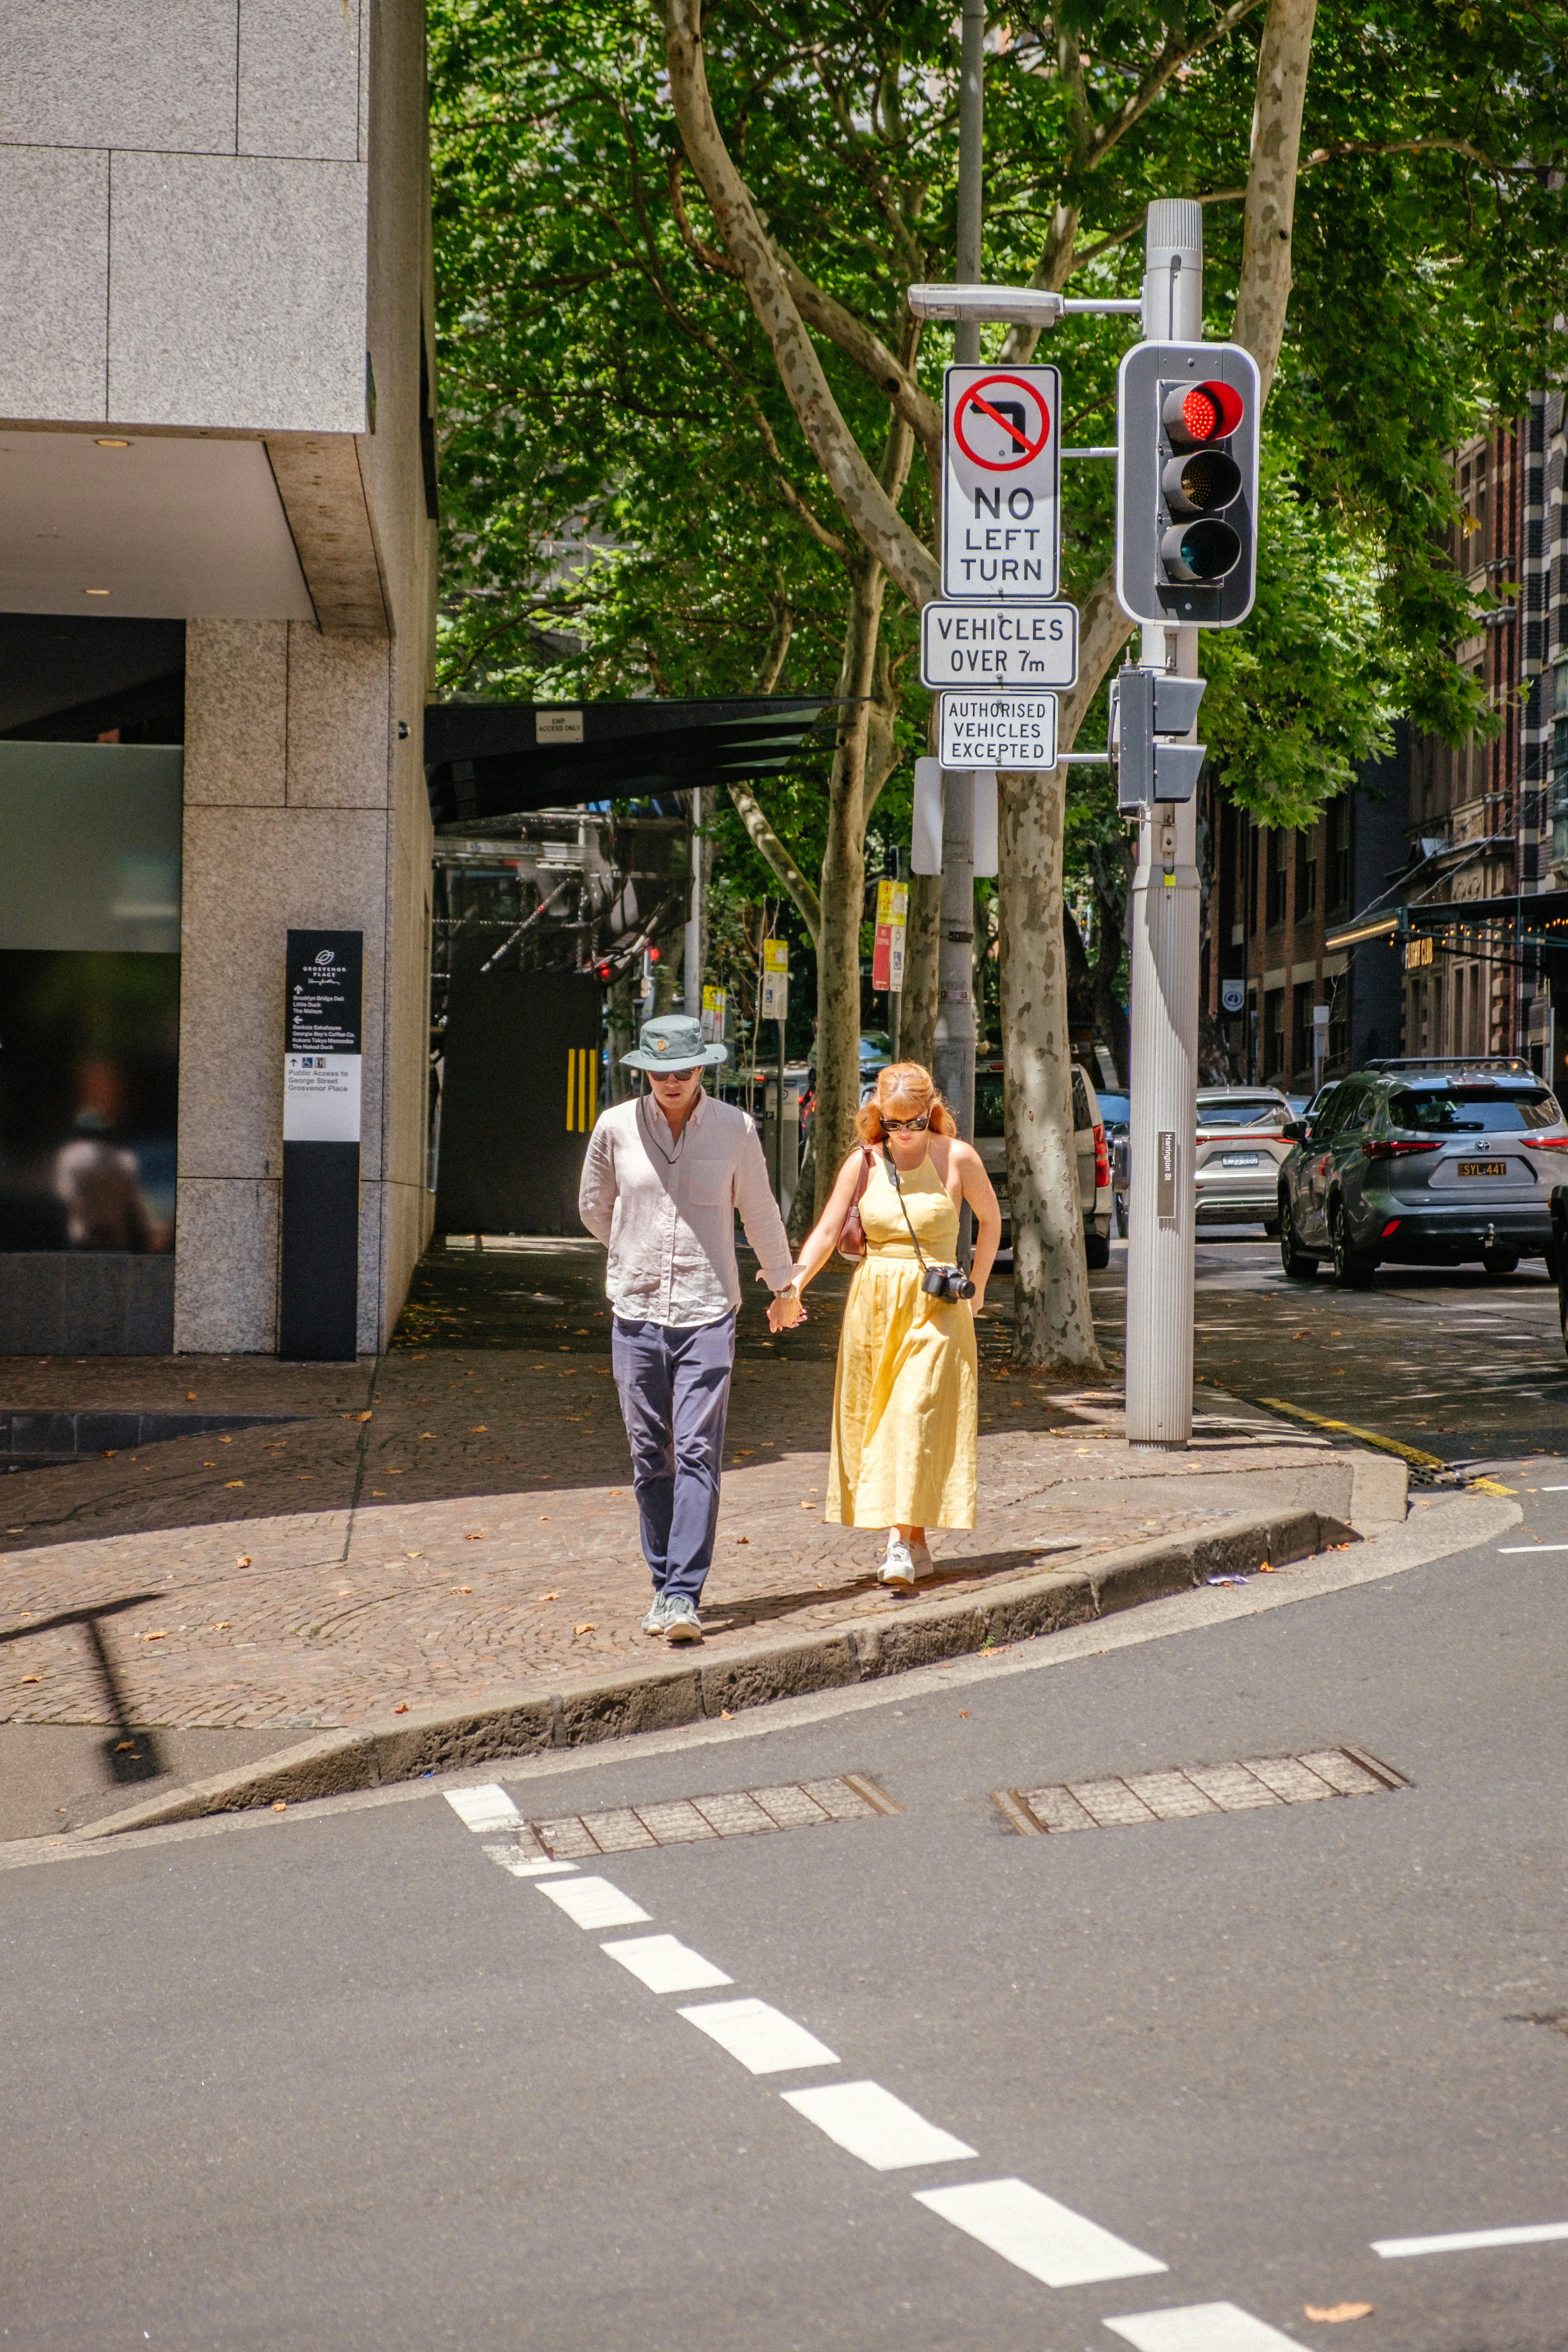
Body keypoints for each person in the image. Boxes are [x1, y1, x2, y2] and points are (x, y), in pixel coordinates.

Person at [578, 1012, 804, 1644]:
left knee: (699, 1450)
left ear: (702, 1068)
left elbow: (759, 1209)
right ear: (644, 1072)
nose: (670, 1082)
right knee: (650, 1452)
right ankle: (661, 1585)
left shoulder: (736, 1129)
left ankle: (682, 1596)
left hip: (709, 1312)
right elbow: (594, 1206)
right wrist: (630, 1250)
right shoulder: (616, 1127)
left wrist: (784, 1286)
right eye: (658, 1072)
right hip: (637, 1311)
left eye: (681, 1070)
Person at [792, 1061, 1001, 1588]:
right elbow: (826, 1232)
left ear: (933, 1112)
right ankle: (918, 1540)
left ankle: (897, 1545)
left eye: (915, 1122)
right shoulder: (863, 1162)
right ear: (878, 1116)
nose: (905, 1134)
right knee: (880, 1421)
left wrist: (977, 1289)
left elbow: (993, 1220)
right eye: (894, 1123)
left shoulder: (957, 1158)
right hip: (875, 1303)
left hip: (937, 1305)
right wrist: (792, 1285)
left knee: (915, 1415)